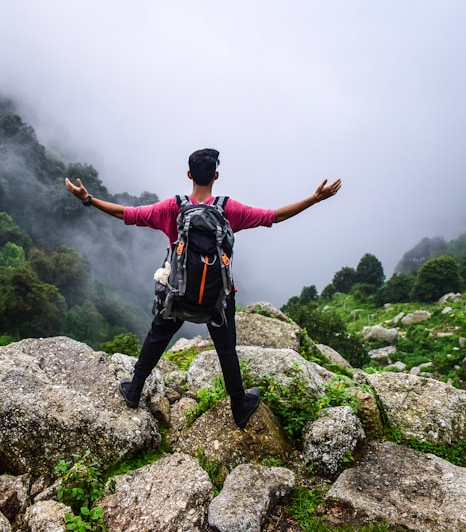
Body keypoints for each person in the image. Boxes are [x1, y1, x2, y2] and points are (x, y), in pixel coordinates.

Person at [64, 148, 341, 429]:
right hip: (218, 298)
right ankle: (239, 405)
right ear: (216, 176)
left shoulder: (173, 207)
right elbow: (274, 217)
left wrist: (88, 199)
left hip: (179, 293)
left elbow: (128, 214)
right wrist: (315, 199)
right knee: (226, 349)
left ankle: (134, 389)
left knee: (158, 336)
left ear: (189, 175)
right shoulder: (228, 208)